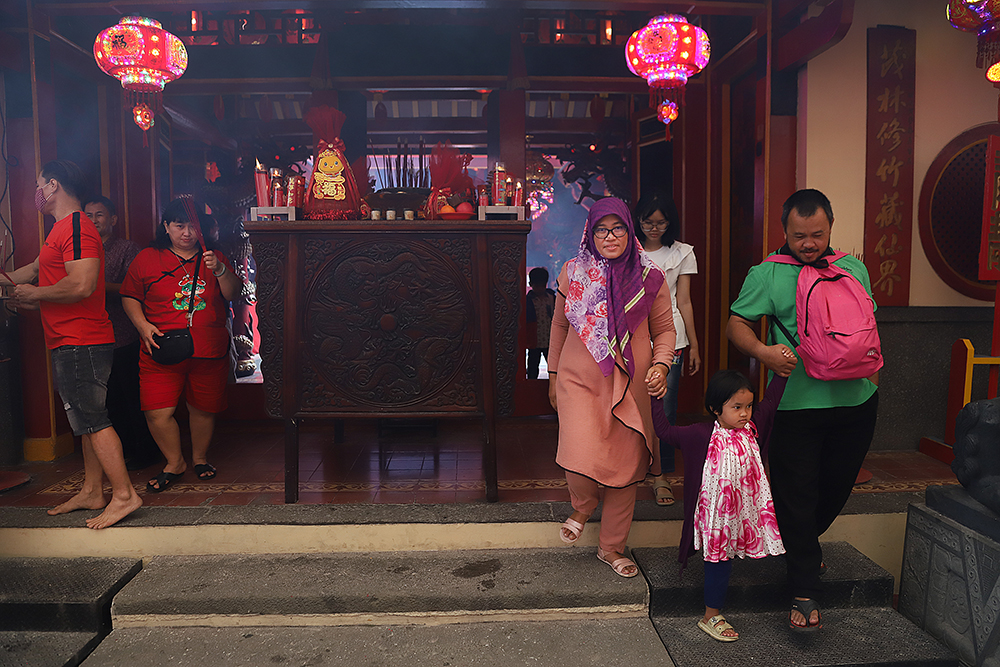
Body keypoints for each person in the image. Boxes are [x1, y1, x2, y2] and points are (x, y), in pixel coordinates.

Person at [726, 188, 880, 631]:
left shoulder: (853, 268)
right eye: (799, 236)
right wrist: (763, 352)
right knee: (797, 495)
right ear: (785, 231)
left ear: (830, 225)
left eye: (816, 234)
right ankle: (805, 588)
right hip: (796, 405)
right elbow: (736, 322)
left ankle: (802, 549)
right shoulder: (768, 274)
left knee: (834, 490)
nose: (808, 243)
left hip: (857, 402)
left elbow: (866, 330)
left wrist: (874, 381)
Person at [1, 160, 141, 529]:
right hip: (69, 338)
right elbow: (32, 271)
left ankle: (125, 495)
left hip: (82, 338)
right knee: (82, 419)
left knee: (94, 419)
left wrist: (37, 295)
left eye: (38, 184)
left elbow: (81, 284)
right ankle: (93, 490)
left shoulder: (77, 227)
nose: (35, 192)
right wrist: (10, 284)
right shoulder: (60, 230)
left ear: (53, 185)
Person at [548, 197, 676, 577]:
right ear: (590, 232)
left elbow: (665, 330)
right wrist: (553, 375)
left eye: (618, 228)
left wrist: (661, 363)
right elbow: (558, 326)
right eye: (602, 229)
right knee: (577, 449)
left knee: (625, 468)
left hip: (631, 382)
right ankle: (584, 504)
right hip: (578, 379)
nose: (610, 236)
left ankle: (611, 547)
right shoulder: (572, 273)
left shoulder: (650, 276)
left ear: (628, 229)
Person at [655, 369, 790, 641]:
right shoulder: (699, 434)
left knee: (727, 558)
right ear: (716, 409)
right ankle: (711, 615)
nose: (745, 413)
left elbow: (771, 401)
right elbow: (664, 431)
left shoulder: (753, 428)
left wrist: (782, 372)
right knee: (719, 560)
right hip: (716, 517)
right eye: (736, 407)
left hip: (745, 513)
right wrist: (656, 397)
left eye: (748, 406)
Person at [121, 197, 241, 492]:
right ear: (166, 227)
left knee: (202, 408)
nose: (186, 232)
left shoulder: (215, 256)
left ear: (202, 228)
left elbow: (233, 294)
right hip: (159, 345)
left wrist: (220, 270)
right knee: (157, 412)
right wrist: (142, 325)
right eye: (179, 226)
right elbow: (129, 296)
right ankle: (174, 462)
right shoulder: (147, 258)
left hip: (208, 348)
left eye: (192, 226)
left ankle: (200, 458)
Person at [634, 191, 701, 507]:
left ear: (670, 222)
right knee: (631, 403)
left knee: (665, 406)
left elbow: (684, 301)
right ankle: (636, 468)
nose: (654, 228)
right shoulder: (627, 250)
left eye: (661, 222)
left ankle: (661, 474)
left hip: (672, 336)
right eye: (648, 222)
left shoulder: (682, 253)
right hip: (633, 337)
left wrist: (695, 345)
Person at [83, 196, 160, 471]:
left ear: (113, 219)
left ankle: (146, 452)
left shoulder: (128, 249)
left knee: (133, 397)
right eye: (89, 215)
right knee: (107, 400)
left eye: (99, 215)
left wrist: (93, 285)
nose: (94, 220)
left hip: (125, 334)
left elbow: (136, 288)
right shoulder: (79, 250)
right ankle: (121, 454)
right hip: (90, 336)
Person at [525, 267, 555, 379]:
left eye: (541, 285)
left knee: (554, 368)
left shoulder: (552, 299)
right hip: (534, 341)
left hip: (550, 340)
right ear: (531, 284)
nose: (539, 288)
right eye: (537, 285)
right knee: (532, 367)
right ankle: (531, 389)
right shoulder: (527, 301)